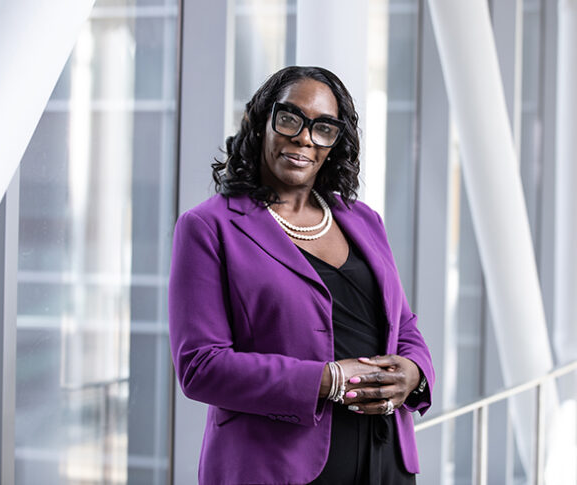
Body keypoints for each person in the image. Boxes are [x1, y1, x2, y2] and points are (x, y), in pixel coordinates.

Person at [168, 65, 434, 485]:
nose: (305, 138)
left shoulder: (364, 219)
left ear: (335, 142)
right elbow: (201, 366)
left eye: (323, 128)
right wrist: (327, 380)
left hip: (385, 458)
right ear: (261, 121)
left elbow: (404, 326)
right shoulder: (208, 227)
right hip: (275, 466)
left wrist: (415, 374)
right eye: (290, 118)